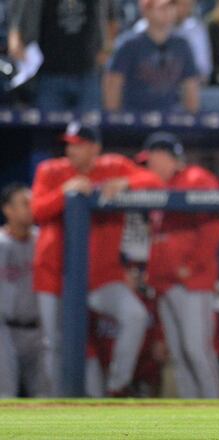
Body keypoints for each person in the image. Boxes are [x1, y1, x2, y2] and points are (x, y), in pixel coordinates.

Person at [31, 122, 164, 396]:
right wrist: (66, 191)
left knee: (135, 315)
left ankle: (117, 385)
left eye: (78, 144)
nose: (71, 149)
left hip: (102, 277)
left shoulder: (112, 166)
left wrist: (125, 182)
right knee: (55, 344)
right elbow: (37, 211)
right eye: (69, 143)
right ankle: (57, 403)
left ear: (95, 148)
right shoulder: (52, 170)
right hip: (57, 276)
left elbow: (154, 181)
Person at [139, 132, 219, 398]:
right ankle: (192, 414)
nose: (149, 165)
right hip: (166, 283)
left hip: (192, 282)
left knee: (196, 349)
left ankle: (218, 409)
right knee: (177, 353)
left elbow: (214, 225)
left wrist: (193, 265)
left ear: (167, 157)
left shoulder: (196, 179)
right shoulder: (158, 187)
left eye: (152, 159)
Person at [7, 0, 116, 112]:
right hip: (49, 75)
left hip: (88, 73)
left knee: (88, 127)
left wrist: (107, 50)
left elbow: (111, 19)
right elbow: (17, 24)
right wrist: (17, 43)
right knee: (50, 126)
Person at [104, 0, 200, 113]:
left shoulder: (182, 45)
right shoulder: (129, 45)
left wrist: (191, 120)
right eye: (162, 8)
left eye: (172, 7)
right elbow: (113, 84)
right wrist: (115, 122)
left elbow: (191, 86)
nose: (168, 12)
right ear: (146, 10)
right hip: (134, 121)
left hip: (171, 121)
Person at [0, 184, 49, 397]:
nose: (32, 208)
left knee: (45, 395)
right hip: (4, 329)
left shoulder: (43, 241)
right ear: (7, 210)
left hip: (38, 330)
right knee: (6, 394)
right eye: (25, 204)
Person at [132, 0, 213, 82]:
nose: (185, 9)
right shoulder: (141, 31)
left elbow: (203, 71)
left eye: (188, 5)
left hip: (184, 88)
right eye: (178, 5)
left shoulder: (193, 30)